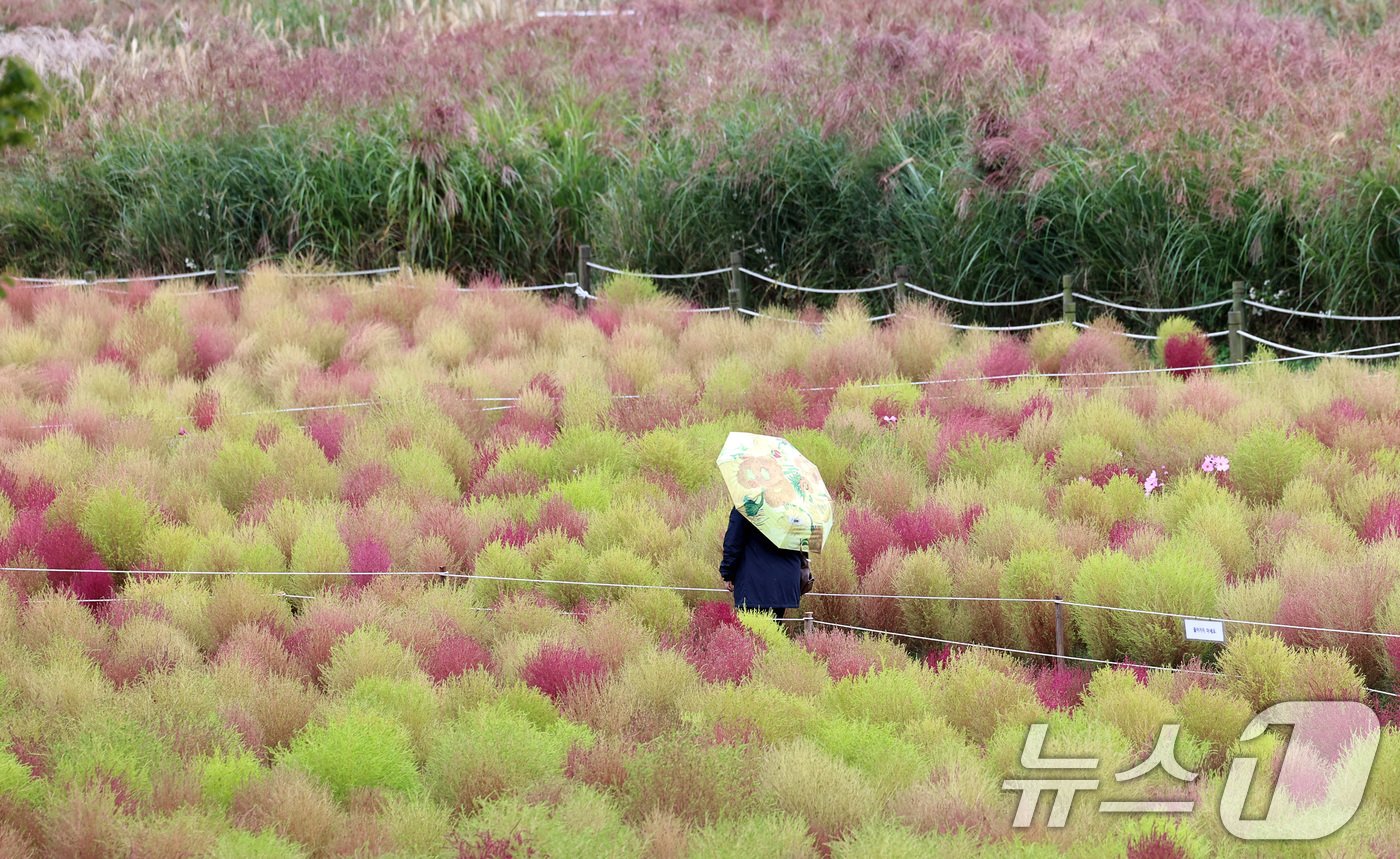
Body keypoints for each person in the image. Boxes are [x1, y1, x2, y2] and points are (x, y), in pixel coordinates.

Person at [718, 506, 807, 618]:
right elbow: (802, 543)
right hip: (784, 579)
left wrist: (727, 573)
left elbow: (733, 543)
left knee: (751, 631)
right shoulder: (794, 505)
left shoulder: (747, 503)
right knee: (774, 629)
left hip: (753, 582)